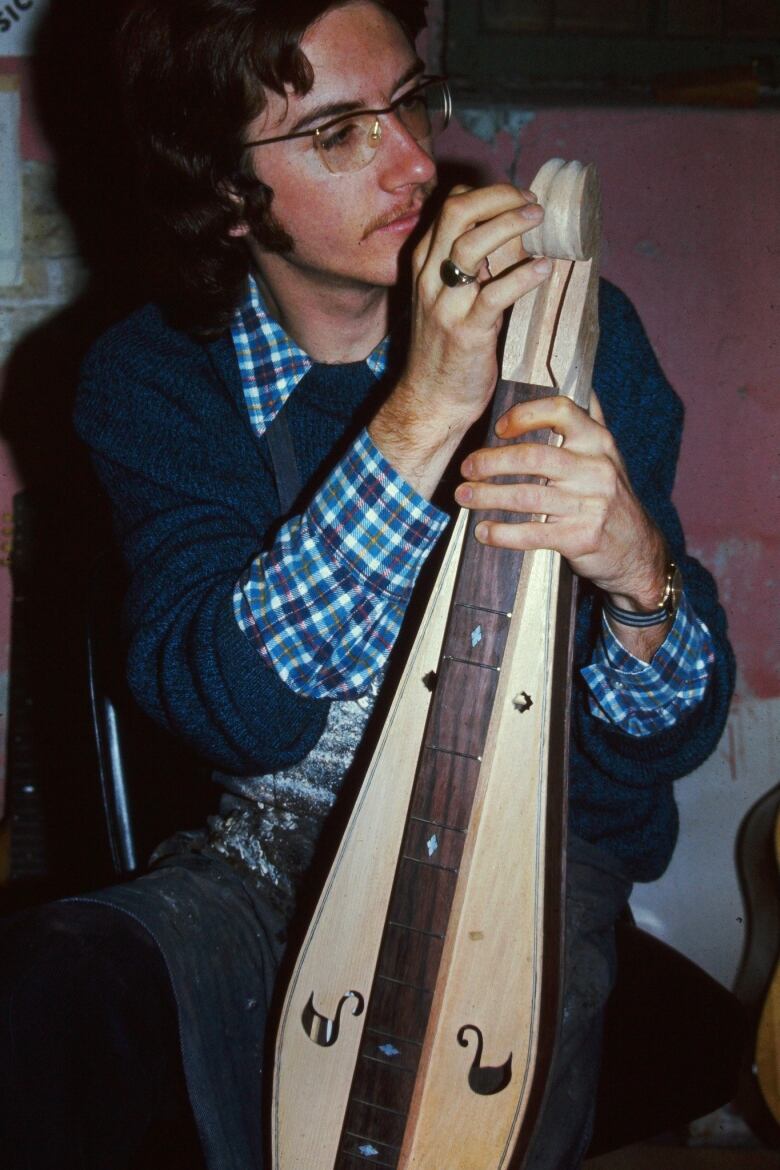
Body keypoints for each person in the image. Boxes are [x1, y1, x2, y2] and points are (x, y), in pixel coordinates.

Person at [0, 2, 735, 1168]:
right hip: (273, 845)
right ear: (224, 193)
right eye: (339, 134)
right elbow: (228, 709)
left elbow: (658, 747)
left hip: (533, 863)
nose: (413, 163)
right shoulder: (152, 379)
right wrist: (430, 405)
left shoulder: (574, 330)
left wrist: (642, 577)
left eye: (409, 103)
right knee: (45, 1007)